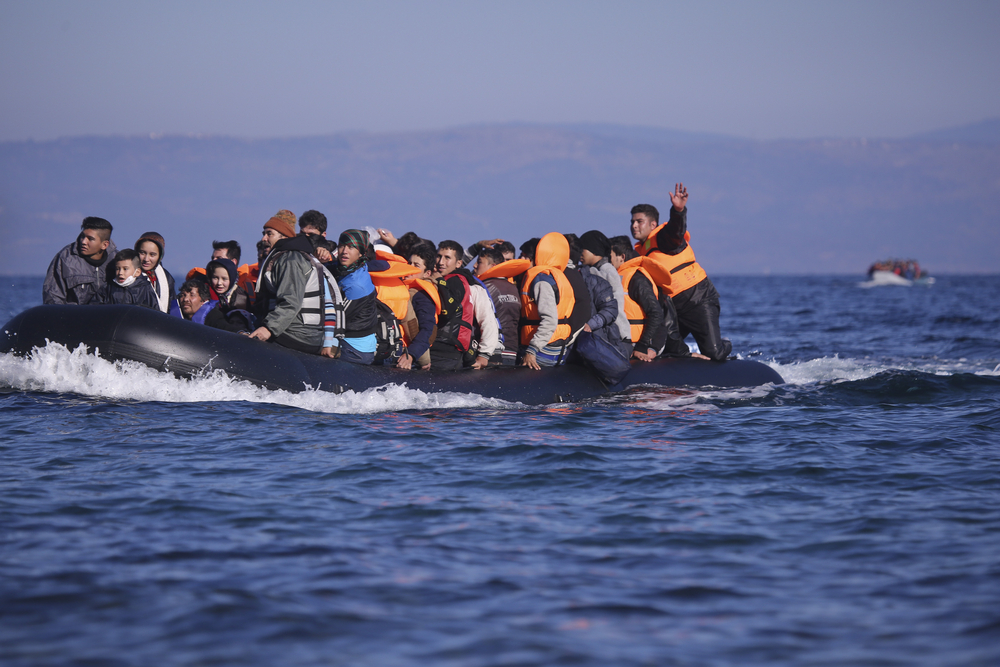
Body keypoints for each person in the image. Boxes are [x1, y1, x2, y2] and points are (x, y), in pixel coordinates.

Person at [631, 184, 731, 361]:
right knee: (663, 348)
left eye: (639, 221)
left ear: (652, 224)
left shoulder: (663, 237)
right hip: (673, 308)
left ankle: (725, 345)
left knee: (714, 354)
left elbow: (676, 230)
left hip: (698, 299)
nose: (634, 225)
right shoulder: (639, 251)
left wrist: (678, 210)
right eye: (632, 221)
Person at [250, 212, 343, 355]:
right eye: (264, 233)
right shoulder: (285, 256)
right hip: (295, 330)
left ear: (284, 236)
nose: (264, 238)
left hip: (300, 334)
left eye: (269, 234)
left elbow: (291, 302)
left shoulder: (291, 260)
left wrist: (268, 329)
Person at [518, 232, 591, 370]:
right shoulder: (556, 277)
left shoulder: (541, 281)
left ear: (535, 258)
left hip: (542, 351)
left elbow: (550, 320)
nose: (521, 259)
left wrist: (531, 350)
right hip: (556, 348)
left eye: (525, 257)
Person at [433, 240, 498, 369]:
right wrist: (476, 247)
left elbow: (488, 321)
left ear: (458, 263)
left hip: (452, 353)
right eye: (439, 256)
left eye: (447, 258)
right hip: (435, 348)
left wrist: (484, 355)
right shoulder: (434, 279)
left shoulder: (473, 287)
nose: (441, 262)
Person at [609, 235, 667, 362]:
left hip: (641, 344)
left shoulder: (637, 279)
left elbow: (656, 313)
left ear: (622, 257)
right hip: (625, 342)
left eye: (610, 257)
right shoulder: (617, 277)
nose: (608, 261)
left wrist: (643, 346)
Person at [328, 229, 379, 365]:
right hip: (348, 339)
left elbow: (336, 319)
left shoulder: (356, 285)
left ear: (361, 253)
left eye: (351, 247)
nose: (344, 251)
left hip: (355, 350)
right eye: (341, 246)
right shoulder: (353, 268)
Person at [578, 230, 632, 352]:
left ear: (594, 250)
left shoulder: (607, 270)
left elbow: (600, 280)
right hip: (612, 331)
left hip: (619, 334)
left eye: (583, 249)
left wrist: (581, 271)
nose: (580, 254)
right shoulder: (599, 269)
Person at [43, 217, 118, 305]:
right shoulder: (65, 258)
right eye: (83, 236)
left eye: (90, 239)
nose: (83, 242)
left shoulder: (118, 260)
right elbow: (53, 297)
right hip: (74, 316)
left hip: (110, 317)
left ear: (104, 245)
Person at [397, 242, 440, 370]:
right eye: (409, 263)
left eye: (416, 265)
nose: (410, 267)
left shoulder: (422, 295)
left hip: (407, 356)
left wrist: (411, 355)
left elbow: (428, 329)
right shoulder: (405, 287)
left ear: (427, 273)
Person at [474, 247, 520, 364]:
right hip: (512, 349)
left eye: (479, 262)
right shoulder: (514, 288)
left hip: (490, 352)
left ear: (493, 266)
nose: (475, 266)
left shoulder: (483, 288)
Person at [206, 257, 254, 332]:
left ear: (232, 279)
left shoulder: (241, 298)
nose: (219, 283)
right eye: (215, 278)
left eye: (224, 279)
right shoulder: (206, 292)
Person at [134, 231, 175, 313]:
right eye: (142, 253)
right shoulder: (127, 274)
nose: (146, 259)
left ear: (160, 256)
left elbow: (172, 309)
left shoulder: (167, 278)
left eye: (152, 254)